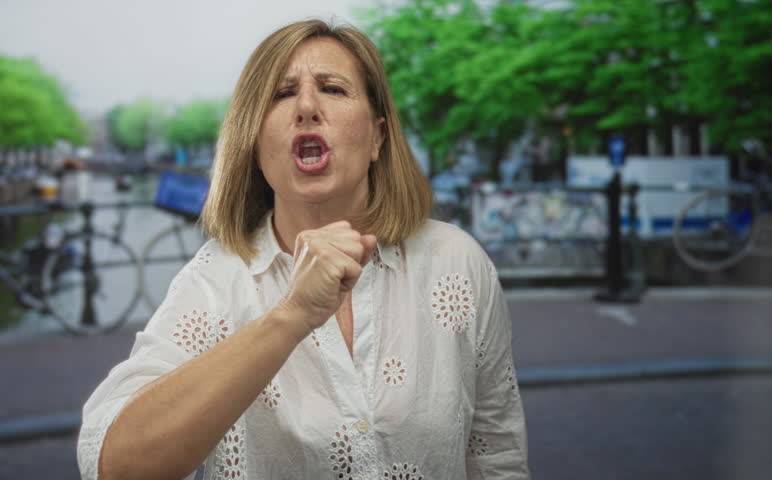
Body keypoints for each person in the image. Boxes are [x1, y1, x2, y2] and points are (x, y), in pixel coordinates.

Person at [78, 19, 529, 480]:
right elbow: (116, 467)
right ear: (254, 145)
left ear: (377, 137)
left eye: (333, 89)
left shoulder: (458, 262)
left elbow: (496, 453)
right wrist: (290, 315)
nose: (307, 106)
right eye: (281, 94)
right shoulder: (213, 283)